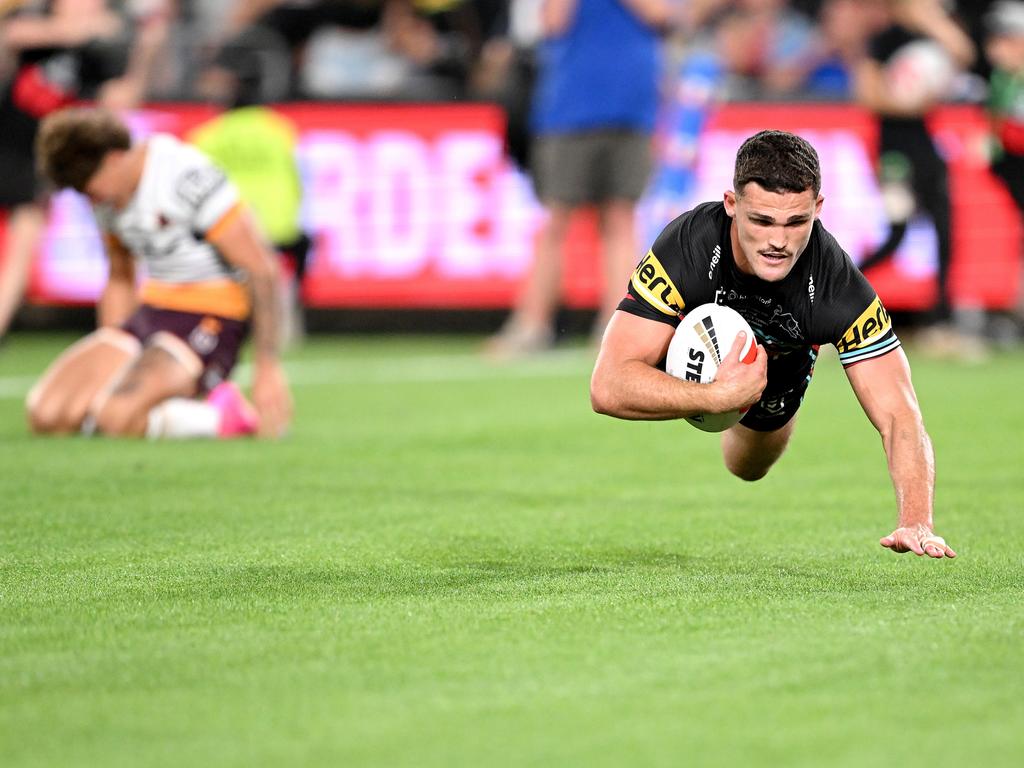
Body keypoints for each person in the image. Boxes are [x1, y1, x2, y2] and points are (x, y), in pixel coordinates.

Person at [590, 130, 956, 558]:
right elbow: (606, 386)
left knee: (746, 467)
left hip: (783, 362)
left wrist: (917, 520)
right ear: (732, 205)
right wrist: (715, 395)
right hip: (699, 338)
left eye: (796, 222)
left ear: (818, 209)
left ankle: (789, 358)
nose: (778, 241)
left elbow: (900, 416)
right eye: (761, 220)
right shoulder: (689, 245)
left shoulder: (838, 288)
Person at [26, 107, 292, 439]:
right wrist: (114, 347)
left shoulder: (184, 176)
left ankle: (224, 417)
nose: (90, 199)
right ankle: (181, 410)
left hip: (211, 315)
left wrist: (267, 366)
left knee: (115, 419)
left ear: (113, 159)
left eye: (89, 188)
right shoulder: (105, 198)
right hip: (151, 311)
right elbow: (121, 275)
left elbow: (261, 268)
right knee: (49, 415)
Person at [486, 0, 671, 357]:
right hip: (569, 108)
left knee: (619, 218)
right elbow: (553, 21)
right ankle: (531, 324)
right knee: (555, 220)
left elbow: (661, 14)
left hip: (631, 107)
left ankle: (615, 326)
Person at [854, 0, 976, 345]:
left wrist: (933, 21)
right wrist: (909, 103)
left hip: (924, 145)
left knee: (944, 228)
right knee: (896, 233)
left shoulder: (931, 37)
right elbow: (868, 95)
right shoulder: (885, 40)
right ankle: (837, 296)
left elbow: (964, 53)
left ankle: (940, 320)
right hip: (894, 151)